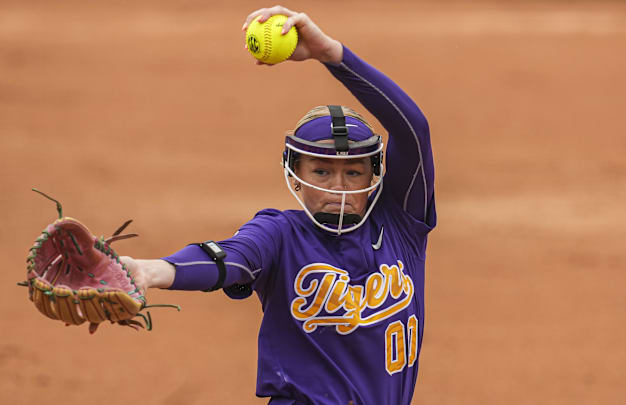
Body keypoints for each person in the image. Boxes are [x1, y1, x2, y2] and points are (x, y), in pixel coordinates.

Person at [122, 5, 436, 404]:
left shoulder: (400, 225)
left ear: (374, 175)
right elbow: (229, 259)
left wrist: (332, 54)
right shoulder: (279, 233)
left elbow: (414, 129)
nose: (338, 187)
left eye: (353, 173)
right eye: (322, 173)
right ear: (294, 176)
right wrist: (152, 271)